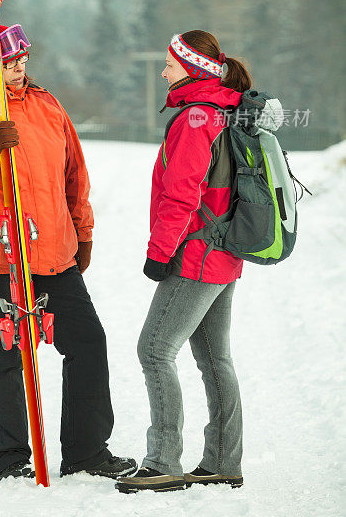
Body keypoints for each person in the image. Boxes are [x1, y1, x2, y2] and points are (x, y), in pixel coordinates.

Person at [0, 18, 136, 481]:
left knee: (88, 342)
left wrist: (83, 234)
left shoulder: (47, 105)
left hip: (53, 256)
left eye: (24, 59)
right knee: (5, 358)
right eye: (10, 62)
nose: (21, 68)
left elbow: (74, 176)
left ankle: (87, 454)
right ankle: (9, 460)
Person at [117, 30, 249, 495]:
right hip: (224, 253)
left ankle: (162, 462)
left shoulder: (196, 117)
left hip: (195, 253)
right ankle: (222, 461)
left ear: (193, 69)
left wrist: (159, 253)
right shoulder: (225, 109)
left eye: (170, 64)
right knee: (215, 357)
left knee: (154, 350)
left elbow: (182, 193)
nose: (163, 70)